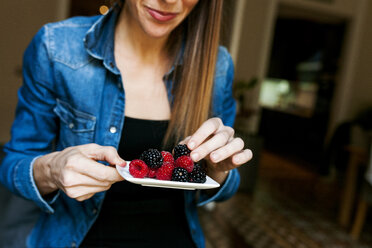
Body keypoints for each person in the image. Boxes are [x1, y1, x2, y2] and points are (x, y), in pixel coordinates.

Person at [0, 0, 252, 247]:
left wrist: (218, 169)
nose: (169, 0)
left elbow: (226, 188)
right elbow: (13, 165)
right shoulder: (56, 46)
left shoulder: (217, 66)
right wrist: (52, 169)